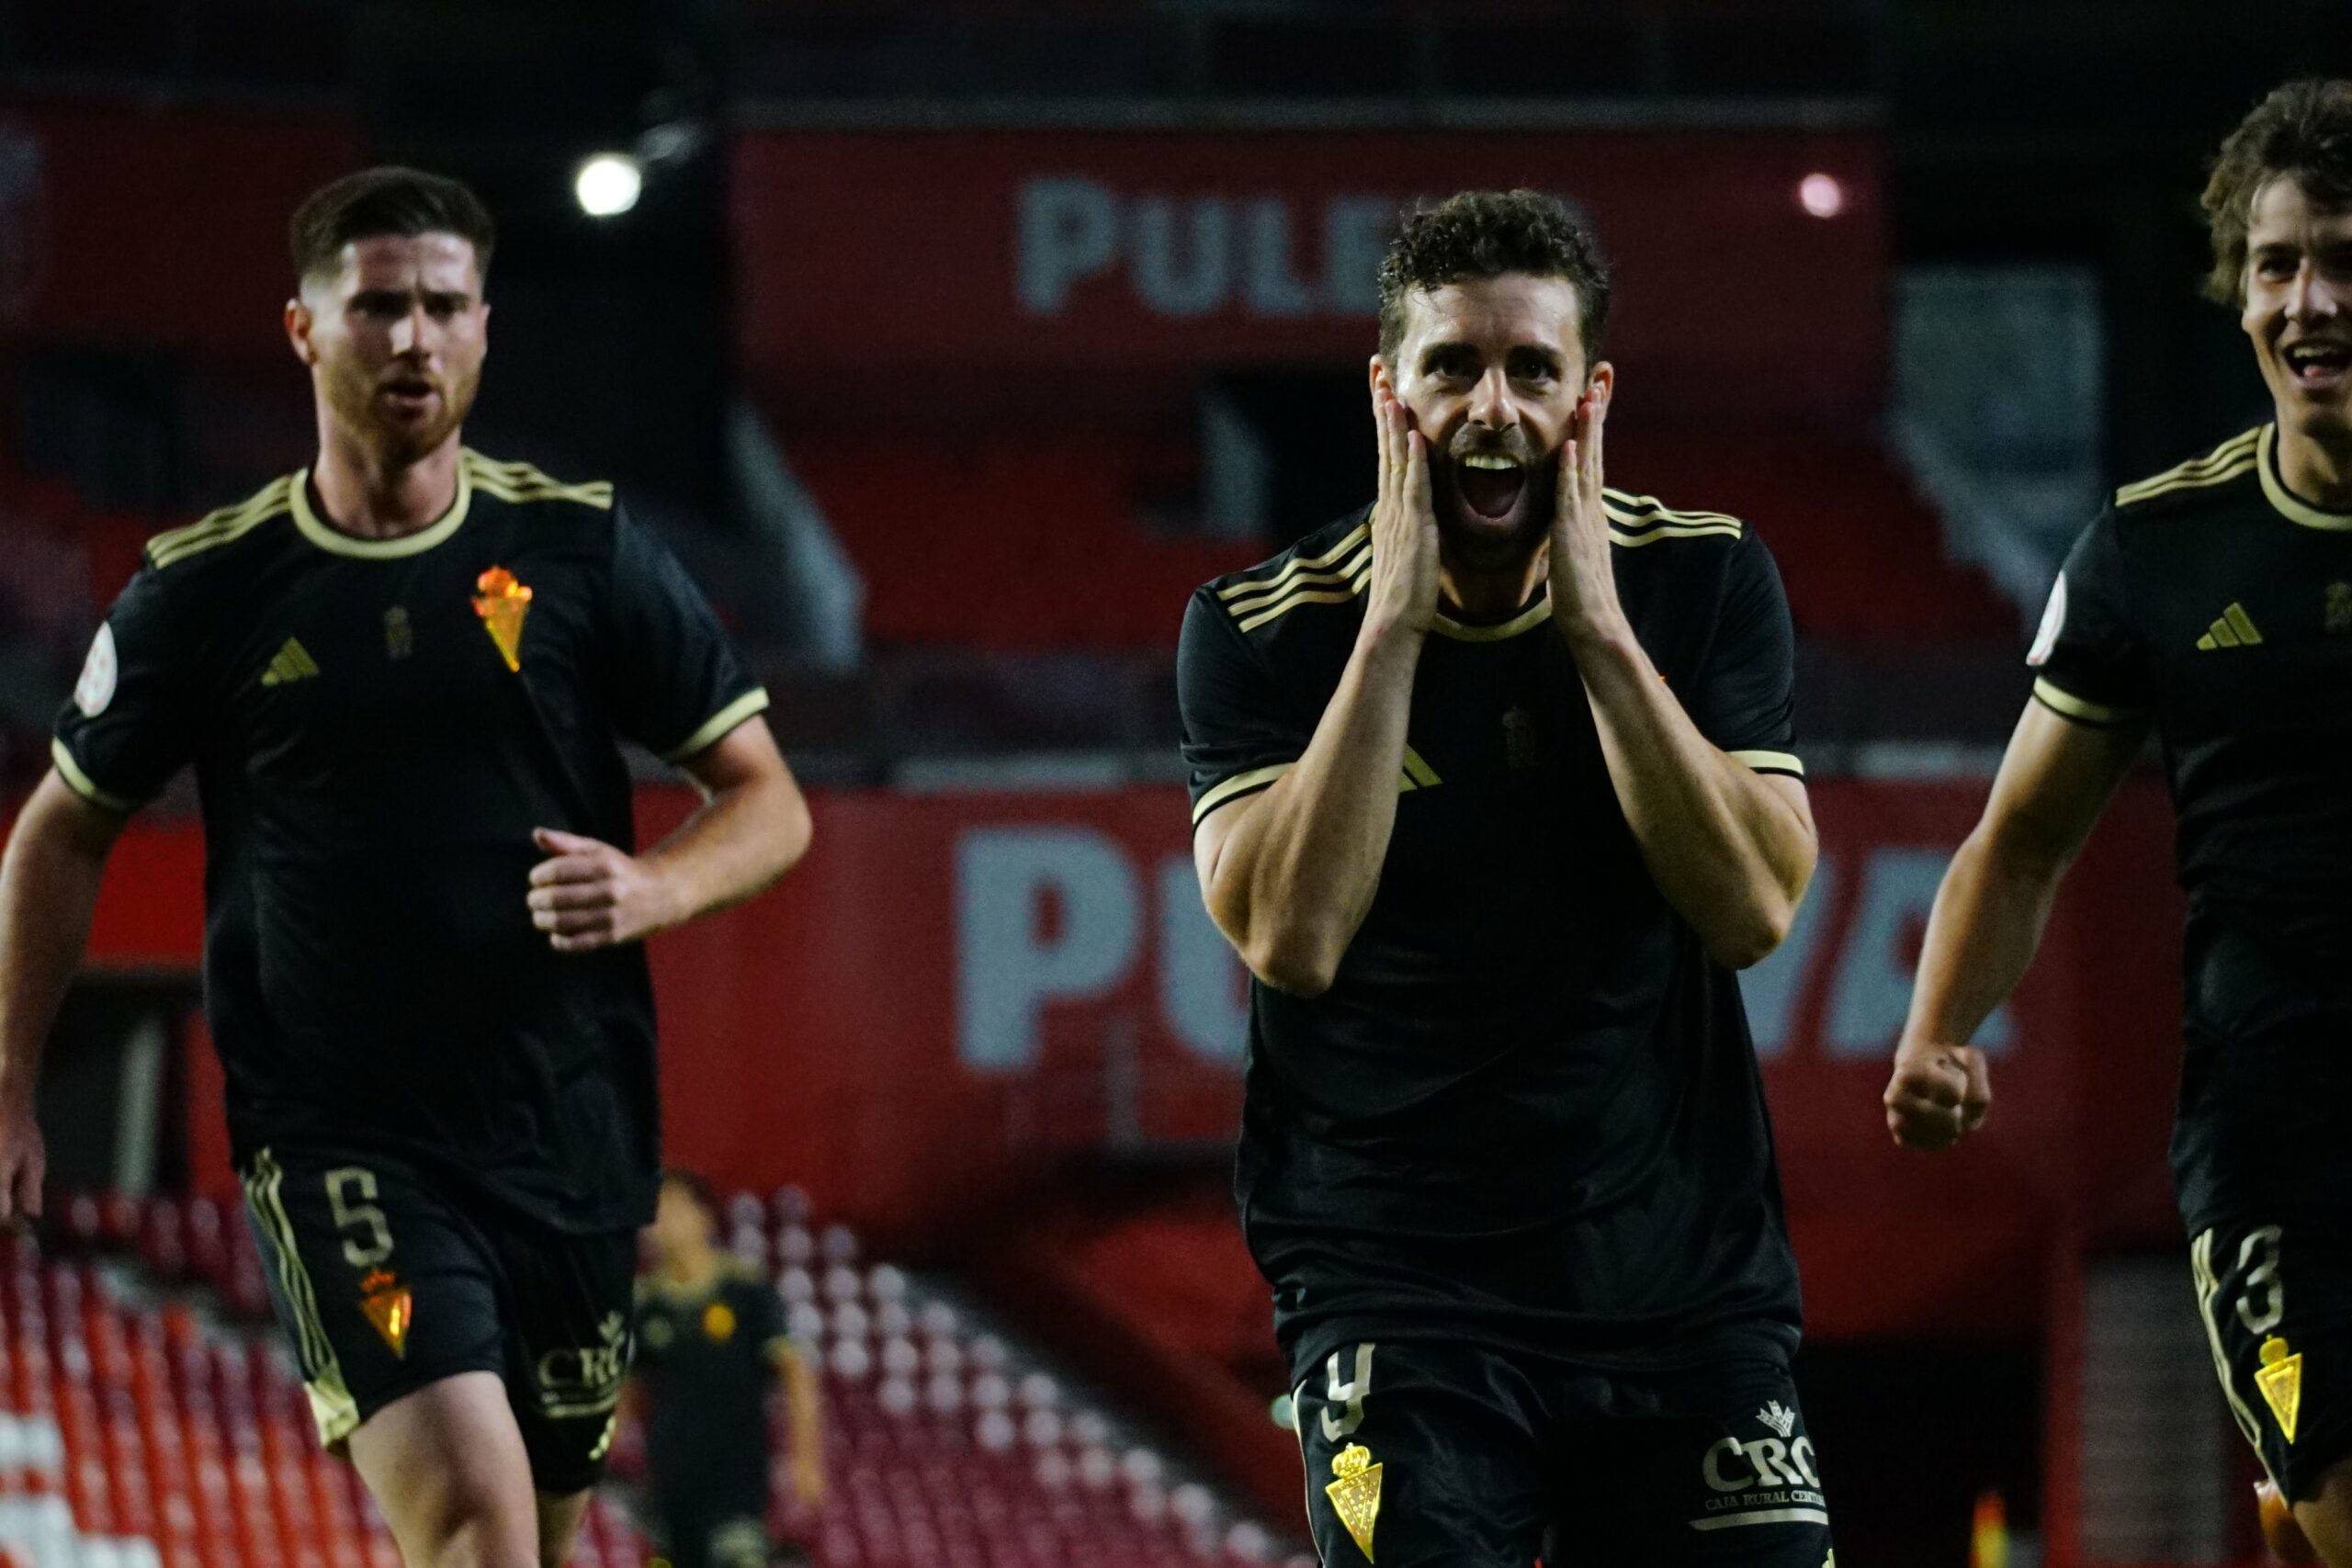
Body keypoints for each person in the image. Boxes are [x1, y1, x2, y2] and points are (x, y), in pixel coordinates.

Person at [0, 166, 813, 1568]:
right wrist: (10, 1078)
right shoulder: (206, 588)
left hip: (571, 1140)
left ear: (486, 329)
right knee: (482, 1528)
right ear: (306, 328)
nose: (413, 339)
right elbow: (59, 830)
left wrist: (657, 885)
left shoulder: (580, 549)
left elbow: (768, 799)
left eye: (443, 306)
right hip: (342, 1143)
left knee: (532, 1544)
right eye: (378, 305)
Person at [1178, 188, 1827, 1567]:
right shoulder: (1259, 627)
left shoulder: (1702, 579)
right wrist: (1394, 632)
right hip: (1397, 1293)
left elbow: (1755, 907)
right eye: (1451, 366)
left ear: (1590, 395)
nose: (1492, 407)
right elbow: (1289, 937)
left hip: (1680, 1285)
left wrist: (1596, 635)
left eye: (1532, 369)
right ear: (1386, 394)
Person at [1884, 79, 2352, 1568]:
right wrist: (1938, 1024)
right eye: (2278, 265)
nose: (2311, 301)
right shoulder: (2156, 550)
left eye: (2343, 259)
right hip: (2272, 1151)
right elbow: (2021, 840)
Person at [631, 1171, 823, 1568]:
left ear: (705, 1217)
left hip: (736, 1482)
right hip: (669, 1484)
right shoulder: (645, 1304)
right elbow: (625, 1390)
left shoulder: (745, 1292)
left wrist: (805, 1456)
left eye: (673, 1208)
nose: (661, 1221)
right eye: (654, 1211)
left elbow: (795, 1372)